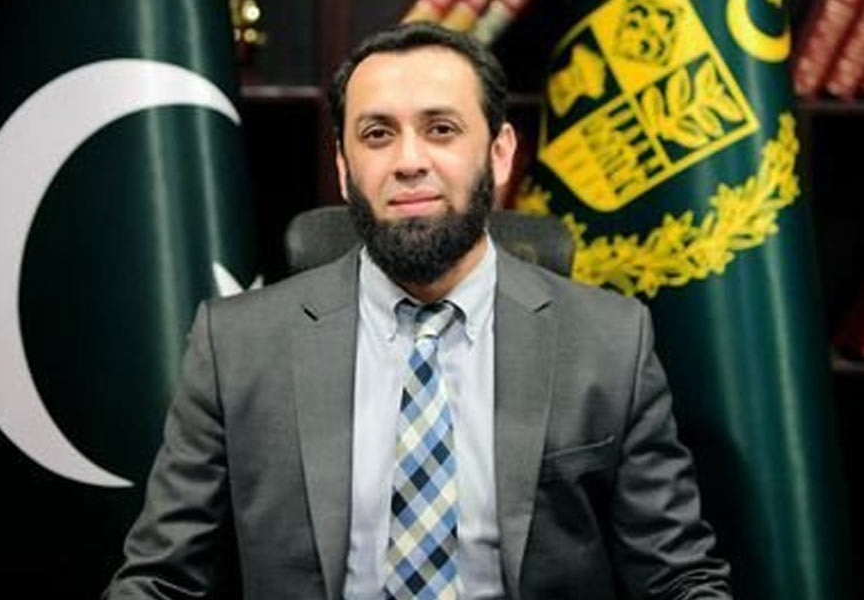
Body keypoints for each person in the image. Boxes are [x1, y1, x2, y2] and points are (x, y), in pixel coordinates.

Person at [104, 22, 732, 600]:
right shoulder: (235, 346)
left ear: (500, 152)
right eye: (378, 134)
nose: (409, 161)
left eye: (441, 129)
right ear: (346, 169)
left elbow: (678, 577)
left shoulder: (609, 342)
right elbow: (162, 579)